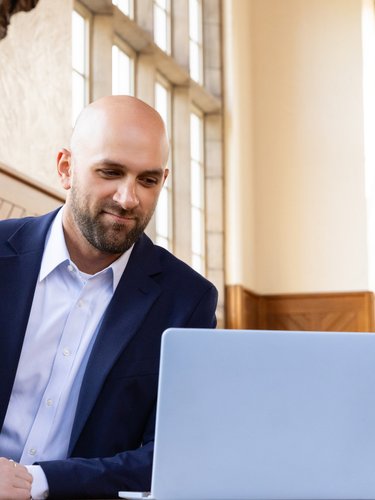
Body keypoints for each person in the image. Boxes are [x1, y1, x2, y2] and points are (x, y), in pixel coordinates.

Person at [0, 95, 218, 499]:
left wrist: (38, 483)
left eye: (147, 180)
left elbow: (172, 454)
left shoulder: (188, 300)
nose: (128, 198)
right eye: (111, 172)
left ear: (163, 182)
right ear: (66, 168)